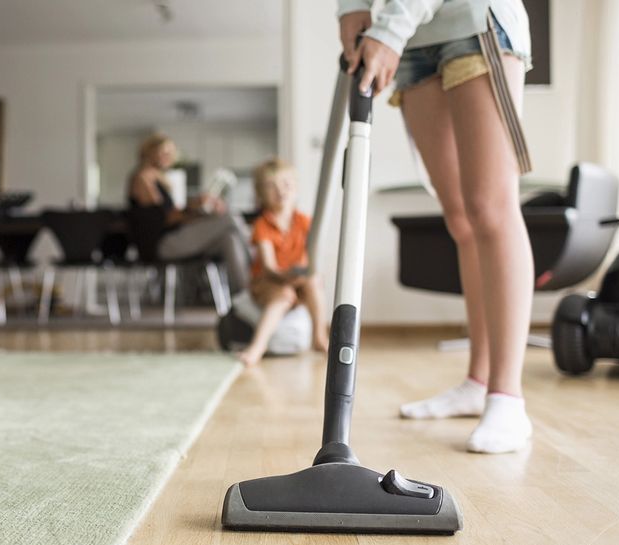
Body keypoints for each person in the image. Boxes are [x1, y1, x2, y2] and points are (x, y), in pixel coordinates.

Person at [337, 0, 535, 454]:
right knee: (461, 219)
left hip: (474, 22)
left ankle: (507, 397)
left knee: (490, 208)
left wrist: (390, 26)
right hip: (414, 42)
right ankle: (477, 381)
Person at [127, 134, 250, 293]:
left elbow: (177, 215)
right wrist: (195, 206)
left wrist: (203, 209)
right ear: (150, 152)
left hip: (174, 237)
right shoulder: (143, 178)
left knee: (229, 238)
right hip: (161, 244)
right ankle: (259, 266)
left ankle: (245, 294)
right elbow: (164, 217)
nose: (169, 156)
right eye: (163, 152)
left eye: (171, 152)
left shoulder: (161, 179)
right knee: (230, 218)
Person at [237, 159, 329, 367]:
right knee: (284, 294)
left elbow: (312, 259)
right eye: (271, 186)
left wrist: (303, 275)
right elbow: (269, 267)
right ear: (261, 194)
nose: (280, 191)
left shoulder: (305, 222)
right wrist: (288, 278)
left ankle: (320, 337)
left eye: (286, 184)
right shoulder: (262, 225)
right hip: (268, 281)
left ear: (295, 188)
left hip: (296, 278)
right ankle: (257, 347)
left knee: (314, 281)